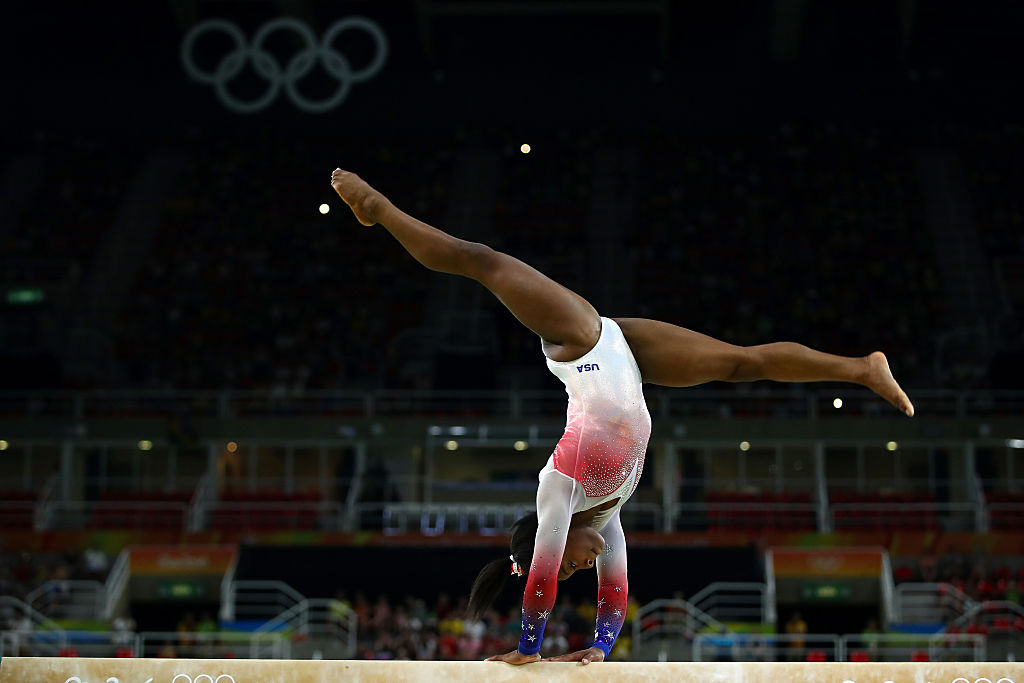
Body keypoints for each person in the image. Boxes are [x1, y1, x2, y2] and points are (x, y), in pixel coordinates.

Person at [330, 169, 914, 665]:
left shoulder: (557, 490)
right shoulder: (607, 514)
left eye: (567, 567)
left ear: (546, 548)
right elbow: (617, 587)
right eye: (576, 570)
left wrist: (529, 646)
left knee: (480, 261)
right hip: (628, 353)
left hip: (579, 344)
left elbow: (542, 573)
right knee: (742, 364)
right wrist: (601, 647)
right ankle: (862, 368)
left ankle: (378, 208)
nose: (581, 567)